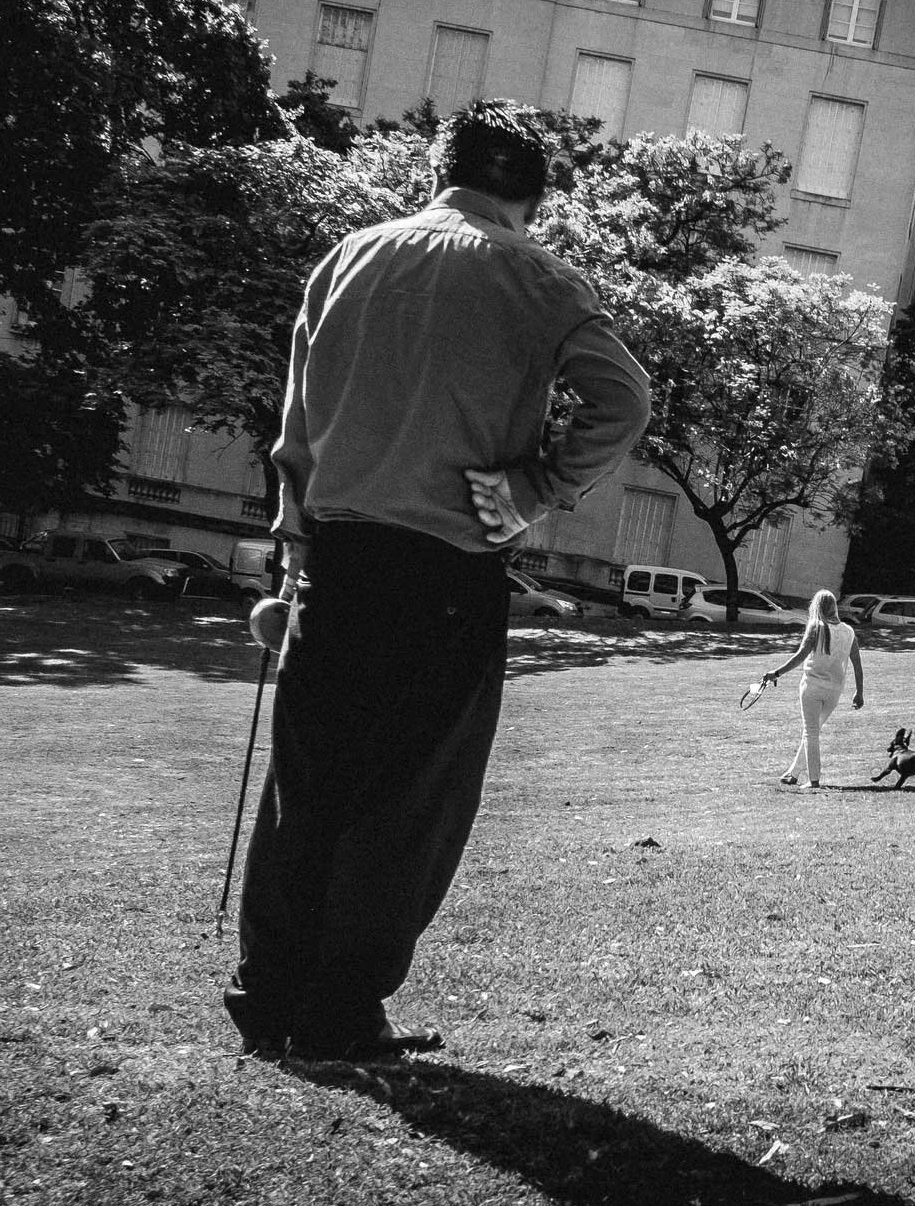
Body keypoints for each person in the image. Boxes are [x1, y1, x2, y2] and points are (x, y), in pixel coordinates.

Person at [223, 100, 652, 1061]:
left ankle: (269, 993)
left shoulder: (349, 256)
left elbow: (295, 423)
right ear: (530, 202)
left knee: (310, 782)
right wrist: (538, 488)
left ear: (439, 174)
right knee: (408, 797)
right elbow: (625, 399)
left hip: (334, 555)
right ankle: (341, 1011)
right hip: (446, 570)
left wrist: (294, 542)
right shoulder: (537, 275)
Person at [761, 590, 864, 789]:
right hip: (835, 691)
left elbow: (801, 655)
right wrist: (859, 692)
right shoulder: (849, 631)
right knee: (813, 731)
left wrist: (777, 673)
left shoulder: (816, 626)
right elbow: (857, 666)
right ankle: (793, 773)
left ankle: (814, 780)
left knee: (811, 732)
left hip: (812, 687)